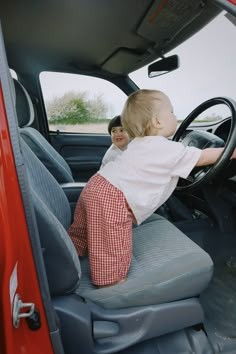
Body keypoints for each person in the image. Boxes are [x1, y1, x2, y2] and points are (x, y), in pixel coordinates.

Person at [68, 89, 236, 288]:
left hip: (97, 185)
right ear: (157, 122)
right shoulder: (166, 148)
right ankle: (110, 283)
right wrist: (232, 152)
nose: (175, 117)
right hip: (112, 199)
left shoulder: (141, 143)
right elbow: (204, 156)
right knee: (112, 247)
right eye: (172, 112)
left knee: (81, 234)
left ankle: (68, 259)